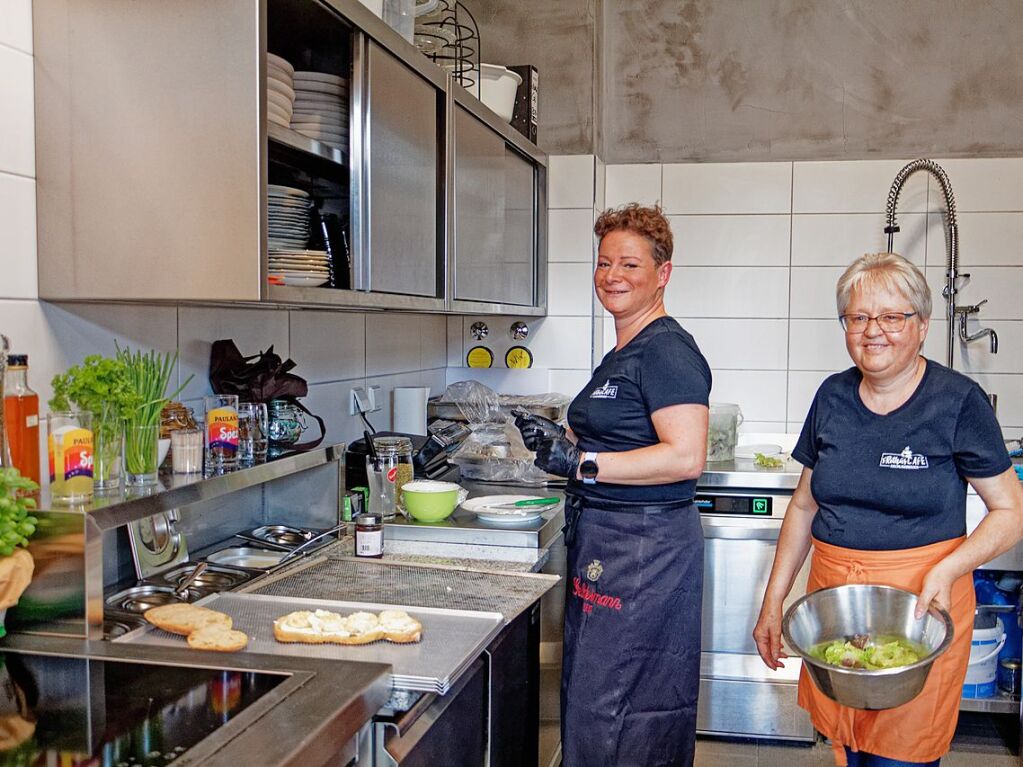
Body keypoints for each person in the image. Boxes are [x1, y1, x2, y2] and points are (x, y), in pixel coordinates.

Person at [752, 252, 1023, 767]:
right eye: (858, 317)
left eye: (892, 317)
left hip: (919, 609)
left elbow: (1011, 511)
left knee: (901, 755)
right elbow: (805, 505)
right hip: (835, 608)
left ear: (922, 326)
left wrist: (950, 568)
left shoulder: (958, 401)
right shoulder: (831, 396)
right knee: (846, 749)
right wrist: (773, 602)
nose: (873, 330)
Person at [514, 203, 711, 767]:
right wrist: (553, 435)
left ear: (663, 273)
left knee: (626, 699)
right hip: (606, 541)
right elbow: (608, 430)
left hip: (644, 548)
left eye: (629, 263)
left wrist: (581, 462)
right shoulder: (622, 352)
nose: (612, 275)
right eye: (603, 263)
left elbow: (685, 455)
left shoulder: (669, 351)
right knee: (595, 695)